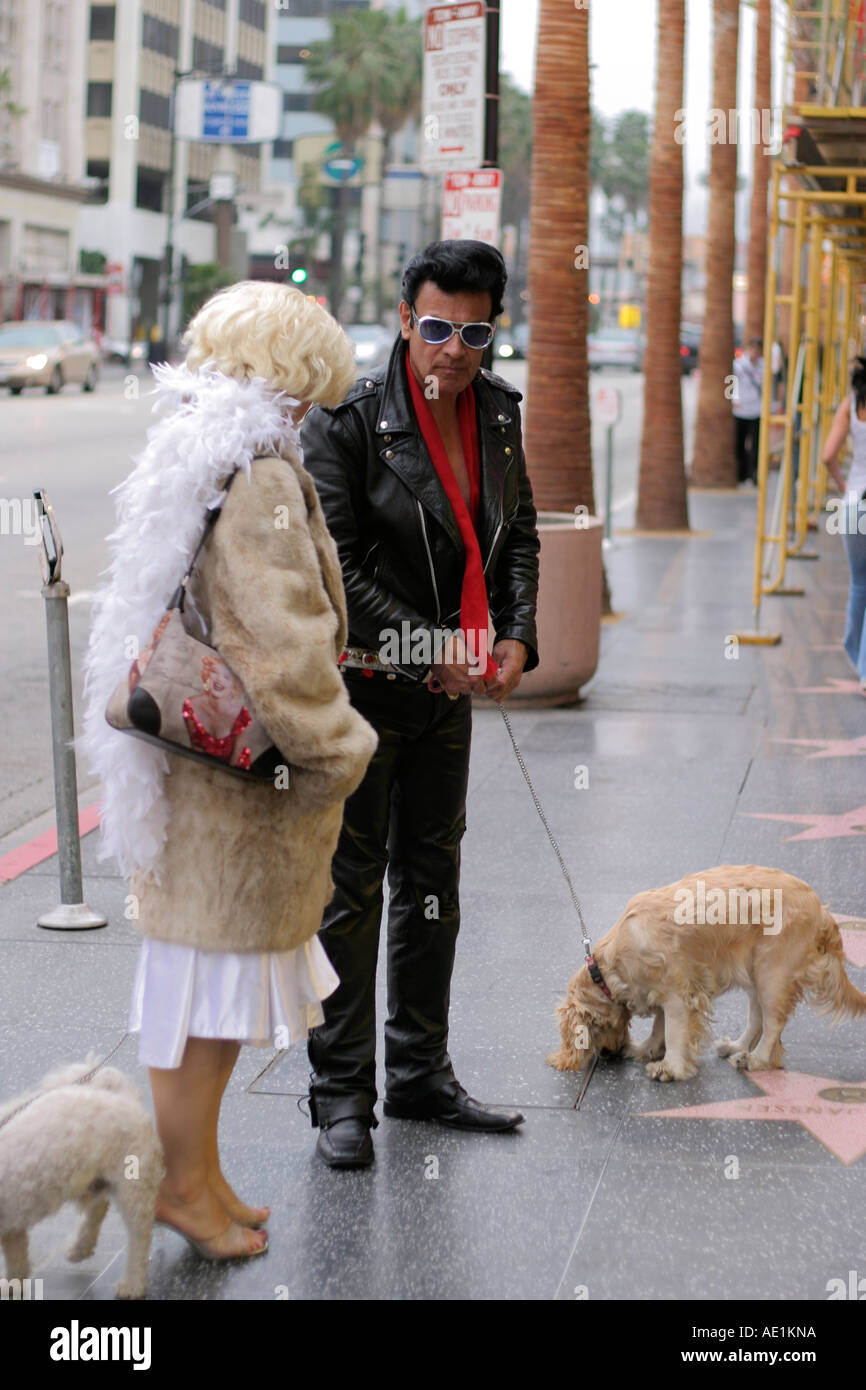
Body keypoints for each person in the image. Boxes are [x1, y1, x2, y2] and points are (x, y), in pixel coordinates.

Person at [81, 281, 378, 1258]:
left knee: (204, 997)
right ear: (294, 372)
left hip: (202, 790)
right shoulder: (257, 472)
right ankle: (180, 1186)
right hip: (239, 792)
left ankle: (198, 1175)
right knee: (203, 1004)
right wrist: (343, 748)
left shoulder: (215, 448)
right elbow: (279, 641)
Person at [300, 239, 540, 1168]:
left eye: (475, 332)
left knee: (433, 886)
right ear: (406, 320)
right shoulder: (350, 421)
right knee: (351, 894)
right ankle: (338, 1096)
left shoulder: (500, 416)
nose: (454, 349)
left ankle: (420, 1075)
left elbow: (517, 535)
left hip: (450, 698)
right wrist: (429, 646)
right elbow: (338, 570)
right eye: (437, 327)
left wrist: (515, 634)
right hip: (361, 692)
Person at [821, 355, 866, 692]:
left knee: (859, 582)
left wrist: (843, 486)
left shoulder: (850, 406)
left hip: (851, 506)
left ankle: (854, 650)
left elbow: (827, 456)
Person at [732, 336, 764, 484]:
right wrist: (734, 400)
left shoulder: (763, 366)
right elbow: (730, 382)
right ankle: (741, 473)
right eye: (753, 348)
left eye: (758, 349)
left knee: (756, 445)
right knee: (739, 443)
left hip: (757, 409)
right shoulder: (738, 365)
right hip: (741, 410)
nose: (755, 352)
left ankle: (753, 473)